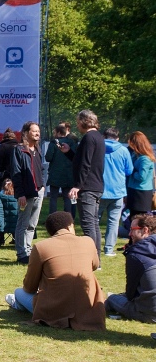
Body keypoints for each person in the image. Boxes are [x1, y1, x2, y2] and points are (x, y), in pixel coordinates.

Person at [5, 211, 105, 331]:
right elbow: (94, 265)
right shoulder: (88, 241)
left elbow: (29, 287)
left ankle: (16, 304)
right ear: (70, 226)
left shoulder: (41, 247)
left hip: (53, 311)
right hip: (87, 309)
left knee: (18, 292)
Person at [63, 110, 105, 260]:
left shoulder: (88, 137)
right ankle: (96, 259)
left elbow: (86, 164)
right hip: (96, 185)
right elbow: (84, 161)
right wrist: (69, 153)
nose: (76, 125)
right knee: (94, 224)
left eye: (77, 121)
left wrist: (78, 186)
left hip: (87, 187)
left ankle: (92, 260)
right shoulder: (98, 137)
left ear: (83, 121)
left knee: (88, 226)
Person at [104, 214, 156, 323]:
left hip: (148, 313)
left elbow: (130, 293)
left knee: (112, 298)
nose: (129, 234)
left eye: (132, 230)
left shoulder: (136, 254)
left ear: (145, 230)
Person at [10, 121, 45, 264]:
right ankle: (21, 253)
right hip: (26, 192)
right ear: (26, 133)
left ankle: (28, 252)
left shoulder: (37, 150)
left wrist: (42, 186)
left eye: (38, 131)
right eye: (34, 131)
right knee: (22, 224)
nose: (37, 133)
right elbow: (16, 173)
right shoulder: (19, 150)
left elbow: (40, 170)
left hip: (39, 191)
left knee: (32, 224)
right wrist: (20, 193)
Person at [99, 128, 134, 256]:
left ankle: (94, 247)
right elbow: (129, 170)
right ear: (117, 138)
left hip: (100, 190)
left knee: (94, 220)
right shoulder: (124, 150)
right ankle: (108, 249)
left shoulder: (99, 149)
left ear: (103, 136)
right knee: (113, 222)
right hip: (118, 191)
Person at [45, 124, 76, 217]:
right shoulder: (72, 142)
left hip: (55, 174)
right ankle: (68, 218)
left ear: (58, 132)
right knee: (67, 198)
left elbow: (48, 158)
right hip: (68, 174)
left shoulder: (54, 143)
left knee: (53, 197)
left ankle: (52, 217)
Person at [126, 131, 155, 215]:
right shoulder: (136, 156)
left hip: (141, 192)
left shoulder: (145, 159)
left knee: (139, 218)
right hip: (133, 189)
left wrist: (132, 171)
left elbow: (141, 177)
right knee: (133, 216)